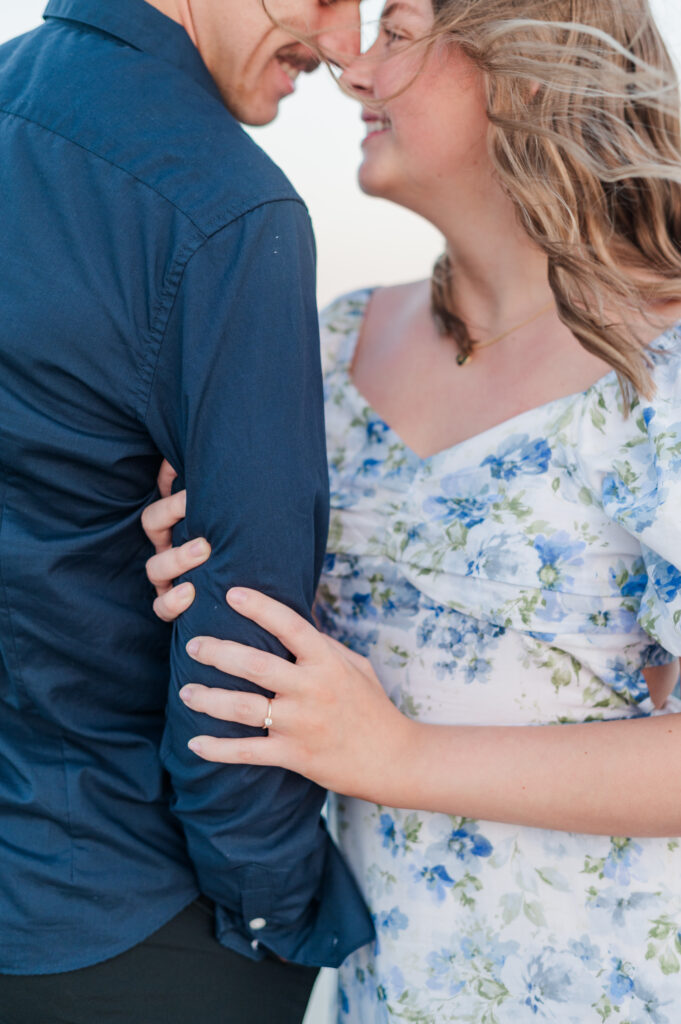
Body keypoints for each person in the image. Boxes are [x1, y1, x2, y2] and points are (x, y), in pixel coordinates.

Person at [142, 0, 681, 1019]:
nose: (351, 67)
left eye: (397, 34)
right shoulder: (334, 344)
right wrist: (198, 571)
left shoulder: (662, 368)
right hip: (385, 991)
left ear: (522, 75)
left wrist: (399, 758)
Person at [0, 1, 375, 1022]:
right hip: (134, 914)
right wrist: (278, 910)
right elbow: (244, 648)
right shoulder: (225, 208)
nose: (344, 46)